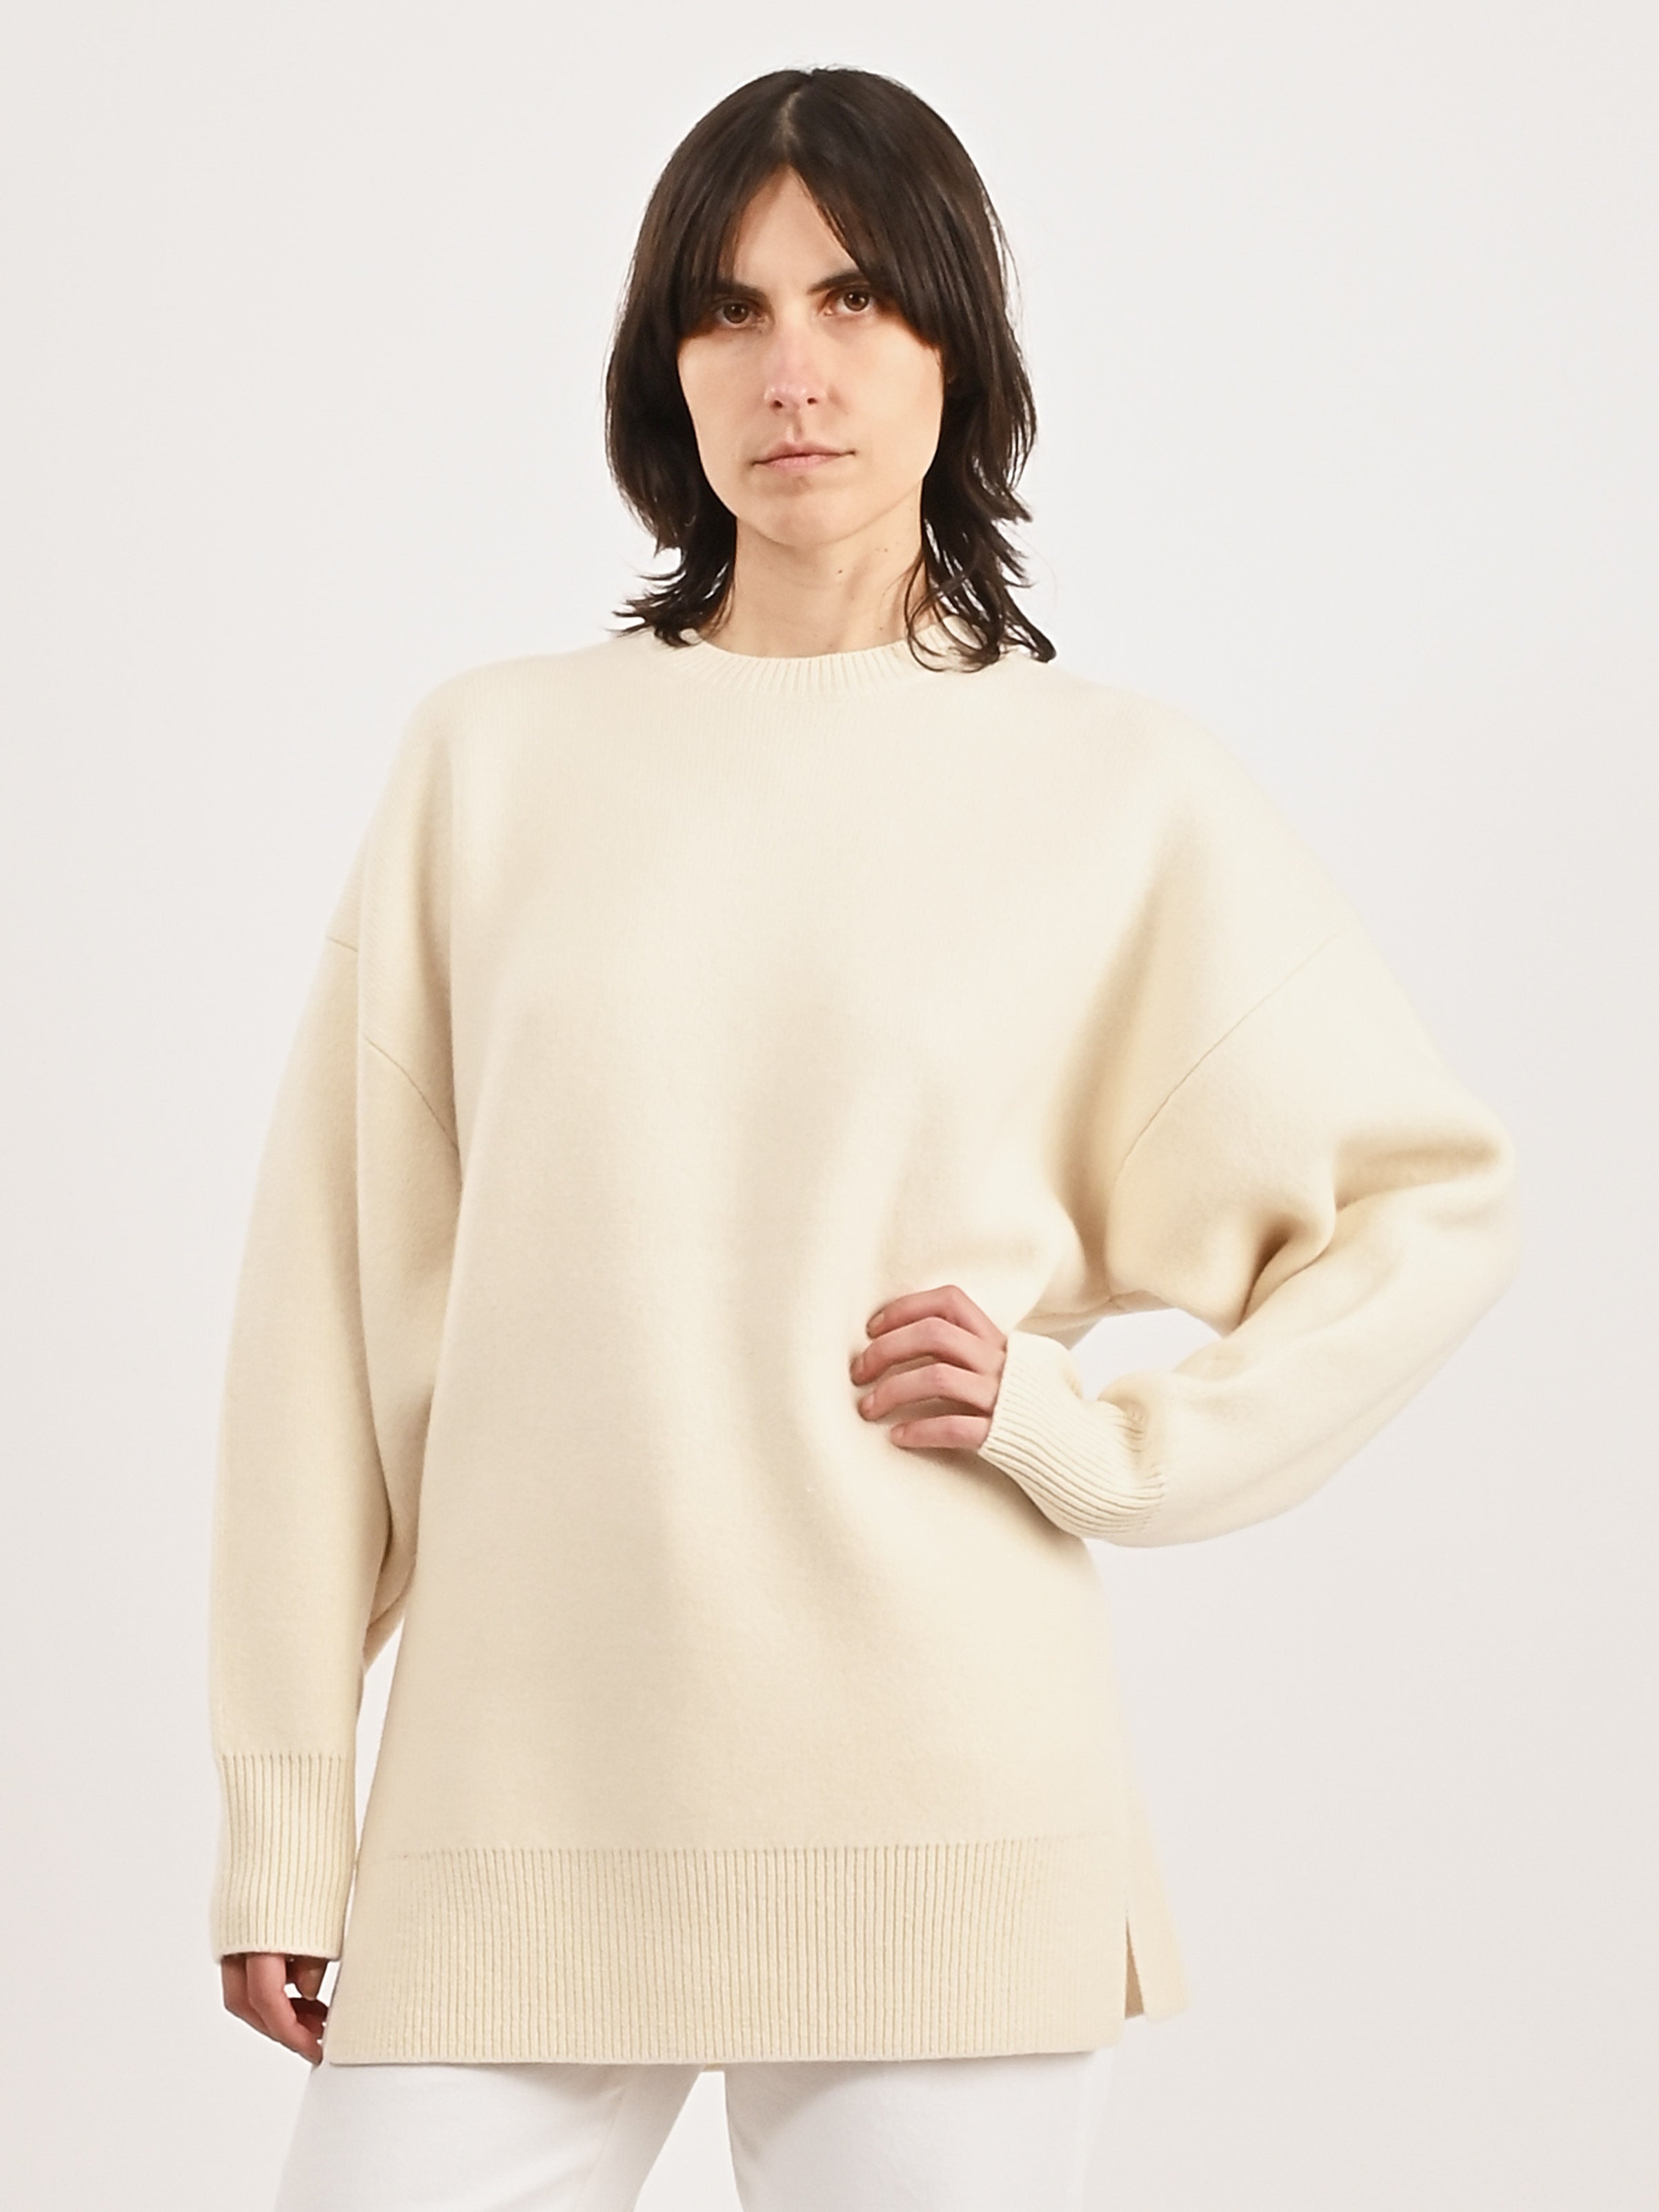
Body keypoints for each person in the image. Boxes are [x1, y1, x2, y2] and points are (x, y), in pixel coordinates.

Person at [207, 65, 1523, 2212]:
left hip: (942, 1809)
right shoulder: (494, 765)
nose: (792, 371)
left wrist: (1102, 1437)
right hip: (519, 1808)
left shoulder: (1116, 794)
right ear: (667, 370)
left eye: (853, 302)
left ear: (953, 350)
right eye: (729, 311)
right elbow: (321, 1326)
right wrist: (284, 1804)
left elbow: (1426, 1203)